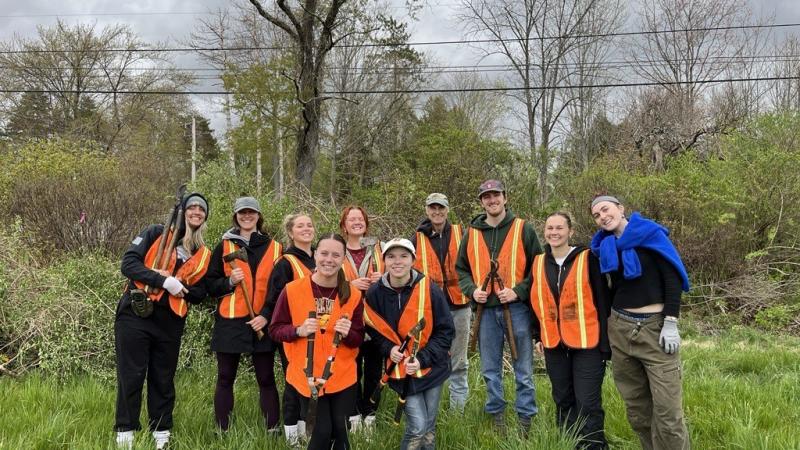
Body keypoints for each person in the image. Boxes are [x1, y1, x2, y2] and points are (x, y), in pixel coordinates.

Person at [589, 195, 691, 450]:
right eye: (596, 215)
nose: (602, 216)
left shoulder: (651, 236)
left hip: (655, 330)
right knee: (637, 409)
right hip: (621, 329)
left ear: (621, 209)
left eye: (605, 209)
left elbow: (673, 278)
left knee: (668, 413)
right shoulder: (604, 246)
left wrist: (670, 321)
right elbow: (610, 290)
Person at [114, 193, 211, 450]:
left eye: (202, 209)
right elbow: (129, 265)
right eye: (192, 206)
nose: (197, 211)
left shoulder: (202, 253)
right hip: (136, 313)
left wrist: (182, 288)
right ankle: (126, 434)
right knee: (131, 375)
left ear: (205, 217)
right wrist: (163, 280)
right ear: (182, 211)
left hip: (170, 322)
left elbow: (201, 294)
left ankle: (161, 435)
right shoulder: (155, 232)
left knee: (163, 378)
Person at [454, 179, 542, 434]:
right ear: (481, 202)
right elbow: (461, 269)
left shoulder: (523, 229)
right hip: (485, 313)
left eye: (496, 195)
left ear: (505, 197)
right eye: (486, 197)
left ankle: (526, 420)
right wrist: (473, 291)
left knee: (523, 370)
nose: (492, 200)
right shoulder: (471, 233)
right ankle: (498, 420)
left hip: (517, 310)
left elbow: (538, 269)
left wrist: (518, 291)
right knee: (490, 370)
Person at [269, 233, 365, 450]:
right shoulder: (292, 290)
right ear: (314, 254)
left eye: (335, 255)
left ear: (343, 259)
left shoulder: (353, 294)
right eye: (324, 253)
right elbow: (275, 330)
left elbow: (358, 339)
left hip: (342, 375)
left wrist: (349, 333)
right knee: (321, 432)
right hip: (307, 377)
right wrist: (298, 330)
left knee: (341, 431)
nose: (329, 259)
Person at [530, 212, 611, 449]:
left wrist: (606, 345)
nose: (554, 233)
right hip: (553, 343)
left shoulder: (588, 258)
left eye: (559, 228)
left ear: (570, 232)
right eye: (550, 228)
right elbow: (535, 303)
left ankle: (594, 445)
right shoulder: (537, 263)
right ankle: (569, 442)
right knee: (563, 399)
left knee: (587, 401)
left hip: (589, 342)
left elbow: (602, 301)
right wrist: (537, 335)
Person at [364, 238, 454, 450]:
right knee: (418, 427)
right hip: (400, 372)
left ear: (413, 260)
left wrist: (422, 359)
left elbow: (446, 331)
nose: (398, 261)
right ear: (384, 260)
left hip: (433, 367)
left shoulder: (430, 289)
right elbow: (374, 331)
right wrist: (389, 348)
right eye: (391, 256)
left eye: (404, 256)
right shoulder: (374, 293)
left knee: (429, 429)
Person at [204, 197, 284, 432]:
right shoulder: (225, 246)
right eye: (242, 212)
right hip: (230, 321)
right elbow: (210, 284)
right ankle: (222, 430)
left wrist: (267, 315)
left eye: (251, 212)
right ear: (236, 216)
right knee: (226, 377)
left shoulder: (275, 247)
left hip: (262, 320)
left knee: (266, 378)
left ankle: (272, 429)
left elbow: (280, 289)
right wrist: (229, 281)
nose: (246, 216)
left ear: (259, 216)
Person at [410, 193, 470, 411]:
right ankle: (430, 409)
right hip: (430, 311)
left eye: (441, 208)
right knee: (431, 359)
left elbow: (473, 263)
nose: (437, 212)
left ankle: (458, 412)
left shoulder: (460, 233)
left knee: (459, 363)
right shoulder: (416, 238)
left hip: (459, 306)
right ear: (426, 210)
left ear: (447, 209)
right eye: (432, 208)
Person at [264, 213, 316, 446]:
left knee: (311, 382)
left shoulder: (318, 258)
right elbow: (275, 302)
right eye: (300, 226)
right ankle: (292, 436)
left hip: (318, 334)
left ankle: (306, 429)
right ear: (291, 232)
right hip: (293, 334)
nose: (306, 229)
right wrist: (294, 329)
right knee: (294, 383)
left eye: (309, 225)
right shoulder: (285, 263)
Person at [338, 206, 383, 432]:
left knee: (375, 370)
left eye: (360, 219)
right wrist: (350, 285)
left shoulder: (379, 249)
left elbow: (397, 277)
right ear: (344, 225)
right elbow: (324, 282)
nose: (357, 222)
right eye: (351, 219)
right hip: (349, 320)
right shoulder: (336, 250)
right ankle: (354, 415)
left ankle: (370, 416)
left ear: (366, 223)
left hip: (376, 320)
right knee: (351, 368)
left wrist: (382, 278)